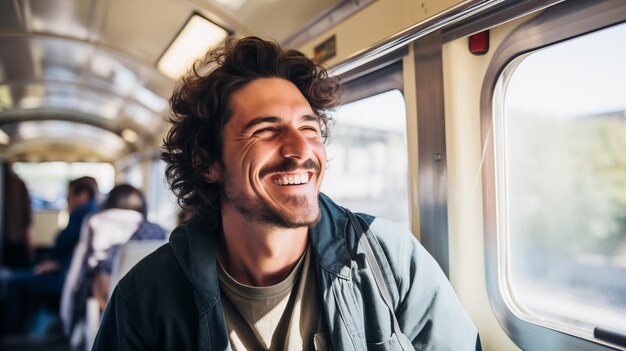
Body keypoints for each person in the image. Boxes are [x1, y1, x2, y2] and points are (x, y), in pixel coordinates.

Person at [93, 37, 481, 350]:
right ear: (207, 161)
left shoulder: (387, 258)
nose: (300, 151)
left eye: (309, 129)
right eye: (266, 130)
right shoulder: (145, 298)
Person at [61, 184, 166, 342]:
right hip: (152, 301)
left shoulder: (96, 223)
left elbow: (86, 268)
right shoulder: (158, 231)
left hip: (107, 299)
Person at [1, 176, 98, 335]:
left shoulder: (82, 213)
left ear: (83, 195)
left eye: (69, 197)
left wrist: (56, 263)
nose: (68, 202)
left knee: (13, 282)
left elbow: (61, 243)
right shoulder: (95, 212)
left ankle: (12, 334)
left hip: (66, 277)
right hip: (73, 274)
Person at [1, 164, 33, 269]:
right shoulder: (18, 183)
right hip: (15, 235)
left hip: (13, 236)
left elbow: (26, 213)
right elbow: (27, 214)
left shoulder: (17, 184)